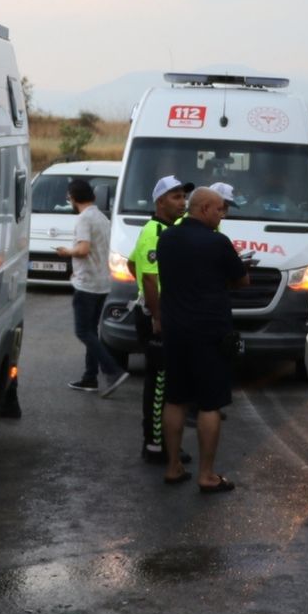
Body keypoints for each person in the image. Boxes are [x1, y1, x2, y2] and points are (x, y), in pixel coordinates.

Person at [155, 187, 248, 493]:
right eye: (220, 210)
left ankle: (172, 466)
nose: (222, 215)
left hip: (175, 329)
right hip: (210, 331)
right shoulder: (218, 242)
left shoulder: (166, 238)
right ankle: (207, 474)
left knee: (176, 398)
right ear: (205, 208)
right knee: (210, 403)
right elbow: (241, 280)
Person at [131, 175, 193, 464]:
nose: (183, 202)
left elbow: (132, 261)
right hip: (158, 317)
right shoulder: (153, 232)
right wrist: (156, 313)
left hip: (169, 312)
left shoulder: (173, 227)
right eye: (176, 197)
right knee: (159, 385)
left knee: (170, 383)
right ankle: (154, 445)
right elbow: (149, 277)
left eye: (184, 196)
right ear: (160, 202)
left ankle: (167, 442)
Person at [58, 179, 128, 397]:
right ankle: (90, 378)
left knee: (83, 331)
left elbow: (83, 249)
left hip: (87, 285)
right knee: (92, 331)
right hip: (102, 283)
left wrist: (66, 252)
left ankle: (112, 370)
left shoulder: (84, 219)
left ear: (72, 198)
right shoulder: (101, 217)